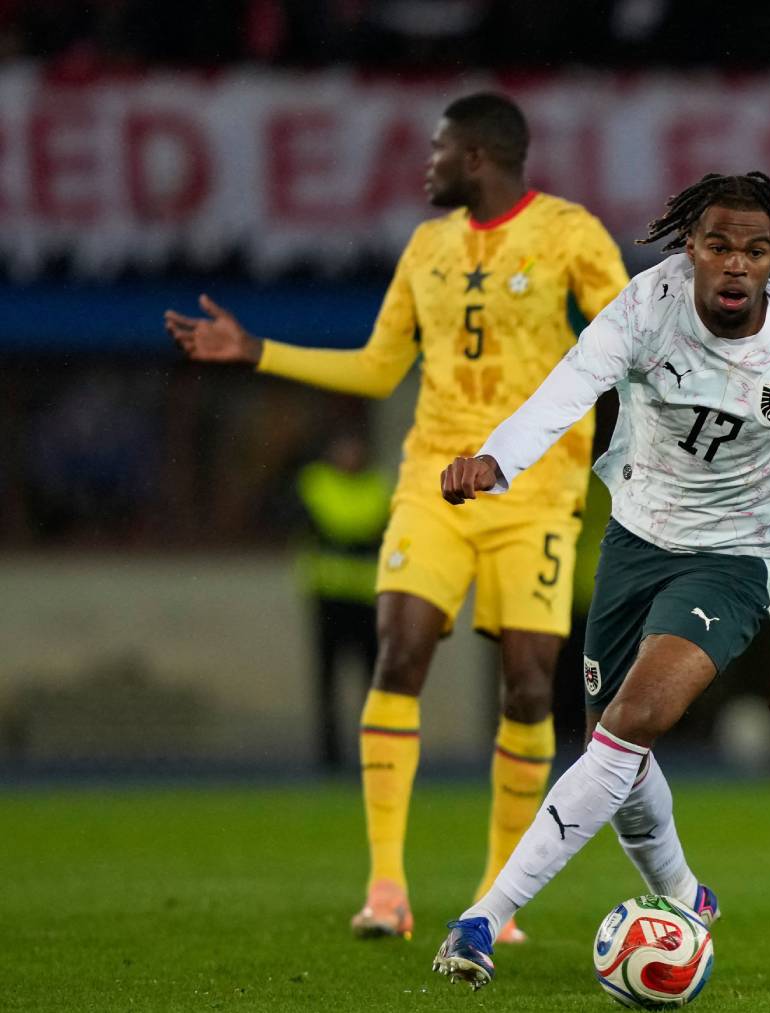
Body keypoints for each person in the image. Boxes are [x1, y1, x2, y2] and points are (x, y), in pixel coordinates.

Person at [165, 92, 630, 943]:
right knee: (400, 647)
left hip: (536, 492)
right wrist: (256, 350)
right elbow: (383, 368)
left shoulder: (570, 234)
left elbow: (629, 343)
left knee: (529, 679)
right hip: (434, 480)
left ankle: (499, 894)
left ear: (480, 157)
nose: (427, 164)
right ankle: (386, 887)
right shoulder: (426, 246)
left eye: (438, 149)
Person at [431, 172, 770, 992]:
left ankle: (483, 917)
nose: (735, 264)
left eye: (755, 249)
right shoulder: (650, 305)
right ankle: (682, 893)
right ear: (691, 247)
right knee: (616, 750)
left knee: (633, 719)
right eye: (718, 244)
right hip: (635, 542)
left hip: (738, 560)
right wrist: (498, 457)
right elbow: (573, 383)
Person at [295, 424, 391, 771]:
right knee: (328, 681)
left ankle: (374, 753)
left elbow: (356, 528)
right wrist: (357, 536)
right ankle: (329, 756)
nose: (349, 455)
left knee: (373, 683)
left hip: (367, 599)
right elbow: (347, 527)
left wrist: (350, 536)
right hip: (329, 597)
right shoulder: (316, 482)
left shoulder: (376, 485)